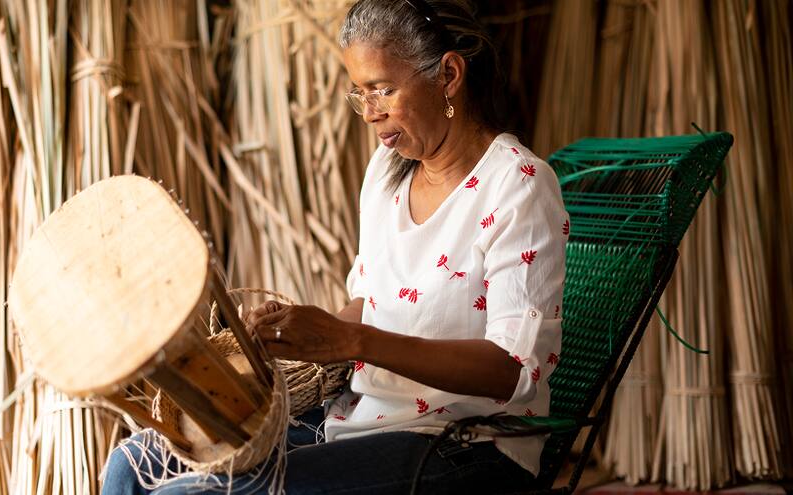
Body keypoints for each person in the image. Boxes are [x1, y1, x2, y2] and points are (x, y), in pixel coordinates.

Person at [102, 0, 568, 493]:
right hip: (362, 418)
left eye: (383, 90)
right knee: (133, 462)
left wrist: (353, 342)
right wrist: (297, 337)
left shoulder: (519, 186)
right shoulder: (385, 174)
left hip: (465, 444)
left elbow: (514, 370)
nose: (370, 114)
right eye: (360, 94)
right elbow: (371, 304)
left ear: (448, 75)